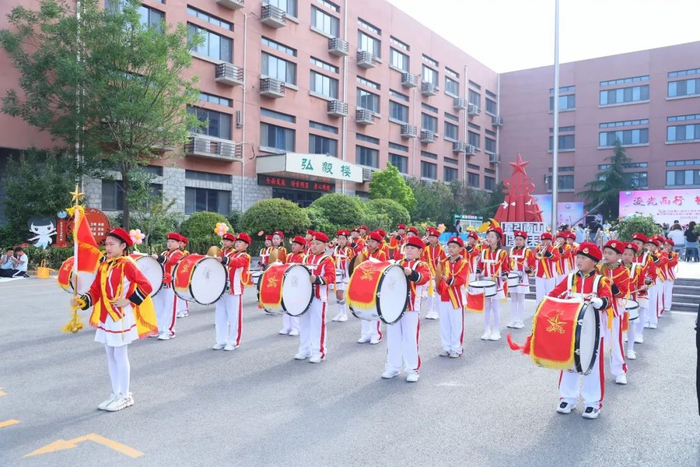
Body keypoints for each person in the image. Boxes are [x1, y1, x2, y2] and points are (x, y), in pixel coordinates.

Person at [72, 228, 157, 412]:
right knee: (110, 354)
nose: (107, 247)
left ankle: (125, 395)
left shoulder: (127, 264)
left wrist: (129, 300)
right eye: (106, 244)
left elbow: (146, 285)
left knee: (120, 354)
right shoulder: (104, 264)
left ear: (123, 246)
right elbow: (95, 290)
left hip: (120, 316)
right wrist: (81, 301)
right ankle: (115, 392)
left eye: (112, 244)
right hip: (106, 316)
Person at [551, 242, 613, 420]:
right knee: (568, 364)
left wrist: (600, 302)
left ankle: (593, 403)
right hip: (571, 330)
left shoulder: (601, 280)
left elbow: (608, 300)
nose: (578, 260)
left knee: (592, 367)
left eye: (583, 258)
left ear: (594, 262)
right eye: (578, 256)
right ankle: (567, 398)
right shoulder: (570, 279)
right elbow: (554, 294)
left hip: (593, 332)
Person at [381, 236, 430, 382]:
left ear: (420, 251)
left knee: (410, 338)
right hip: (394, 306)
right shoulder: (397, 263)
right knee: (393, 338)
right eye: (407, 247)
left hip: (411, 307)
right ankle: (393, 367)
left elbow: (423, 278)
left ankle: (412, 369)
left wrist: (411, 273)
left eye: (412, 248)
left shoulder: (422, 265)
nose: (409, 250)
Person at [296, 231, 335, 363]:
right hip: (305, 296)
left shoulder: (327, 259)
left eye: (317, 244)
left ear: (324, 245)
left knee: (318, 325)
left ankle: (319, 351)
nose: (314, 246)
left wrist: (318, 279)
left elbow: (331, 277)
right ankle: (304, 349)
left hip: (319, 296)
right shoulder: (306, 258)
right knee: (304, 323)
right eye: (312, 243)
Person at [599, 240, 630, 385]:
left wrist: (612, 286)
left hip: (615, 311)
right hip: (599, 309)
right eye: (605, 252)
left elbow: (621, 292)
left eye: (610, 253)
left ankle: (620, 371)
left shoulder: (624, 271)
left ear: (619, 255)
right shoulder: (599, 268)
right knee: (596, 340)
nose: (606, 255)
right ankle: (594, 370)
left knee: (616, 342)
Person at [214, 233, 251, 351]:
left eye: (240, 242)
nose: (237, 244)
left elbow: (237, 262)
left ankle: (234, 341)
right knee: (220, 316)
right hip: (222, 289)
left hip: (235, 289)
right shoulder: (230, 254)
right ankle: (220, 340)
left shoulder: (245, 256)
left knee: (234, 317)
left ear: (246, 245)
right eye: (237, 242)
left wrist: (224, 259)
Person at [436, 236, 470, 358]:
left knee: (456, 324)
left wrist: (449, 280)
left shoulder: (464, 263)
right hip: (444, 296)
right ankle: (446, 347)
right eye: (449, 246)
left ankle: (456, 348)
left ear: (460, 249)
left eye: (454, 247)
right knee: (444, 323)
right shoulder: (443, 262)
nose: (451, 249)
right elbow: (438, 277)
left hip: (457, 297)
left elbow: (461, 279)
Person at [476, 226, 510, 341]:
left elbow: (506, 267)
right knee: (486, 307)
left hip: (496, 283)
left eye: (492, 237)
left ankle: (496, 330)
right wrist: (478, 273)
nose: (489, 239)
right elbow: (480, 265)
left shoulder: (502, 253)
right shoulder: (484, 251)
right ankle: (487, 330)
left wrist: (505, 275)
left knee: (495, 307)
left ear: (498, 239)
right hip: (485, 283)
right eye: (488, 236)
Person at [151, 232, 183, 340]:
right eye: (168, 241)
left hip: (172, 284)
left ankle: (170, 331)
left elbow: (171, 262)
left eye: (172, 242)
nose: (169, 243)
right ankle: (159, 329)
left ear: (178, 244)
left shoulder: (179, 253)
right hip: (161, 284)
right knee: (159, 308)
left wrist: (158, 258)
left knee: (170, 308)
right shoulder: (165, 252)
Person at [357, 230, 387, 344]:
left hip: (375, 283)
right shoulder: (364, 254)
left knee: (374, 310)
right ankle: (365, 334)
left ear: (378, 244)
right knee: (363, 309)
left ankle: (376, 334)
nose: (370, 244)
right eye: (369, 241)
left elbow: (383, 268)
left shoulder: (382, 254)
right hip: (364, 283)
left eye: (373, 242)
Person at [622, 243, 645, 360]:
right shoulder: (614, 268)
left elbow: (641, 284)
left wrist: (644, 287)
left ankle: (630, 349)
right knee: (617, 327)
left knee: (632, 326)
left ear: (634, 256)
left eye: (630, 255)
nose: (627, 256)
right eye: (625, 254)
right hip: (618, 301)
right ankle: (618, 349)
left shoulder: (638, 268)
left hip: (632, 300)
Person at [509, 230, 535, 329]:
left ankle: (520, 320)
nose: (518, 241)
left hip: (522, 277)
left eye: (520, 240)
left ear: (524, 241)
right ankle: (513, 319)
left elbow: (532, 264)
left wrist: (529, 269)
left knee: (520, 300)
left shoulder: (527, 251)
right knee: (513, 299)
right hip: (512, 276)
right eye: (517, 239)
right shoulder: (511, 250)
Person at [423, 227, 446, 321]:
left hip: (438, 274)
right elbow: (423, 261)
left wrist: (441, 274)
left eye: (433, 237)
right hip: (429, 274)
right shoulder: (426, 249)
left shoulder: (441, 249)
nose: (431, 238)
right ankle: (429, 311)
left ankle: (436, 311)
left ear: (437, 238)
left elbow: (444, 262)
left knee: (437, 293)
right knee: (429, 293)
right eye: (430, 236)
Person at [332, 230, 354, 322]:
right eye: (339, 239)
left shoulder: (348, 250)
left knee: (340, 294)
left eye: (343, 239)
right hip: (337, 273)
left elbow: (351, 261)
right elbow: (333, 259)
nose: (341, 241)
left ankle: (344, 314)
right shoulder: (336, 249)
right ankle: (339, 313)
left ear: (347, 240)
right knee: (337, 294)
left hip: (344, 274)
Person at [534, 232, 560, 303]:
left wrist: (548, 254)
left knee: (550, 294)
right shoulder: (538, 248)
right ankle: (539, 310)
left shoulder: (554, 248)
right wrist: (540, 251)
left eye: (547, 240)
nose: (545, 242)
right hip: (539, 275)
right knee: (539, 294)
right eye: (543, 240)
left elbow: (556, 258)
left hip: (550, 275)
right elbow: (535, 258)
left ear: (550, 240)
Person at [662, 239, 679, 316]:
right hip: (661, 274)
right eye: (665, 245)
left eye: (668, 245)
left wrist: (666, 255)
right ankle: (661, 306)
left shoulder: (674, 254)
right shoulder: (660, 253)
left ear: (671, 246)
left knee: (668, 291)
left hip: (669, 275)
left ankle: (667, 306)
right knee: (661, 291)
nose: (666, 247)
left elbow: (673, 263)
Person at [176, 234, 190, 318]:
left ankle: (184, 310)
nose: (179, 244)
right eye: (179, 242)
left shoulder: (185, 253)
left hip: (183, 274)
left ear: (184, 244)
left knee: (183, 293)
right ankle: (178, 309)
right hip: (176, 274)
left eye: (181, 243)